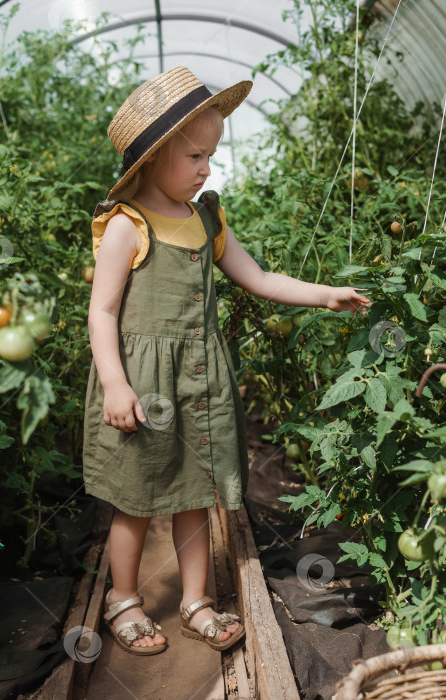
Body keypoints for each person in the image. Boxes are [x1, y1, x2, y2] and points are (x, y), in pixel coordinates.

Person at [82, 66, 372, 656]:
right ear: (154, 156)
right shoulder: (125, 226)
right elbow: (102, 312)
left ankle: (195, 601)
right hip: (141, 383)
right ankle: (124, 600)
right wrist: (114, 382)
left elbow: (258, 277)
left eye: (210, 155)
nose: (206, 168)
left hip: (198, 383)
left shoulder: (207, 218)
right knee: (135, 500)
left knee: (195, 491)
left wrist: (325, 294)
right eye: (194, 156)